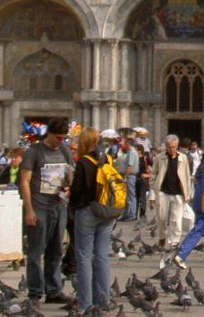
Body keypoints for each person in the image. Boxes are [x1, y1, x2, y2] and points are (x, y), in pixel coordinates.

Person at [20, 117, 74, 304]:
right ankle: (35, 291)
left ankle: (53, 290)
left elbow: (70, 173)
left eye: (63, 138)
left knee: (56, 251)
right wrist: (29, 210)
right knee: (35, 252)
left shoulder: (65, 150)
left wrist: (69, 184)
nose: (61, 141)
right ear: (49, 133)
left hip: (58, 207)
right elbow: (24, 181)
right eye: (58, 137)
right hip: (39, 207)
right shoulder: (34, 152)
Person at [70, 128, 115, 311]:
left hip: (88, 212)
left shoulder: (84, 162)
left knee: (84, 257)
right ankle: (104, 300)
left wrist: (71, 206)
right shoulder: (109, 159)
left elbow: (76, 191)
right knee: (102, 256)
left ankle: (85, 303)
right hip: (107, 212)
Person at [150, 134, 193, 250]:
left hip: (178, 192)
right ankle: (162, 236)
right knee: (161, 218)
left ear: (177, 146)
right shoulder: (159, 157)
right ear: (166, 146)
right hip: (163, 192)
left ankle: (174, 242)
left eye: (174, 147)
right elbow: (153, 174)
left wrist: (187, 193)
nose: (172, 149)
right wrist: (154, 188)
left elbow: (186, 176)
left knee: (176, 219)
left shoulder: (183, 158)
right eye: (169, 147)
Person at [114, 139, 139, 221]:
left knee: (131, 195)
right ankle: (126, 214)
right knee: (126, 196)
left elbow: (130, 166)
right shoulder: (130, 152)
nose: (122, 145)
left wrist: (125, 176)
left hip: (130, 176)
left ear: (128, 144)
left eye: (124, 144)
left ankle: (132, 215)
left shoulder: (132, 152)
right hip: (129, 176)